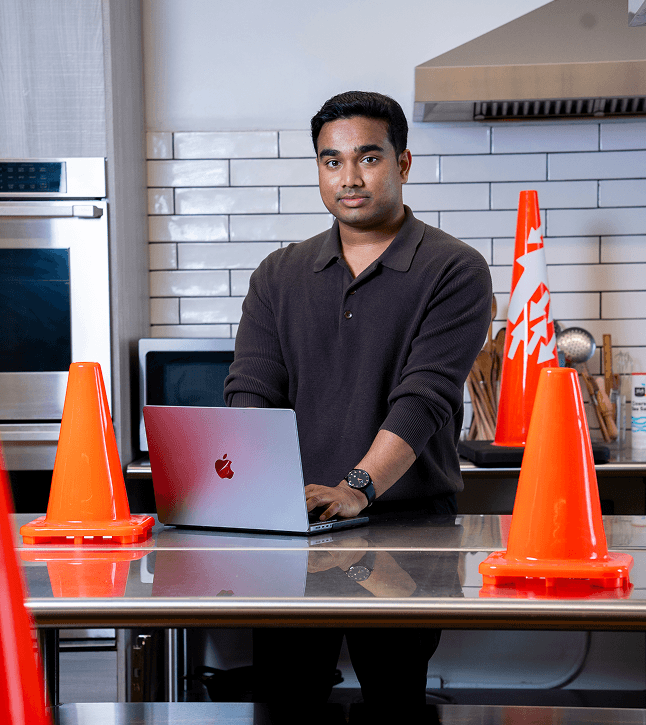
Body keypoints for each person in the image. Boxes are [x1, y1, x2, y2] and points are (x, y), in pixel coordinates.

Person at [224, 90, 492, 723]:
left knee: (394, 701)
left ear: (403, 163)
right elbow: (251, 390)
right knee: (287, 702)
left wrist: (357, 486)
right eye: (331, 160)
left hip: (408, 527)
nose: (349, 177)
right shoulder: (278, 273)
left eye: (367, 157)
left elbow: (424, 397)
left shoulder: (454, 268)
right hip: (291, 531)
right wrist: (246, 493)